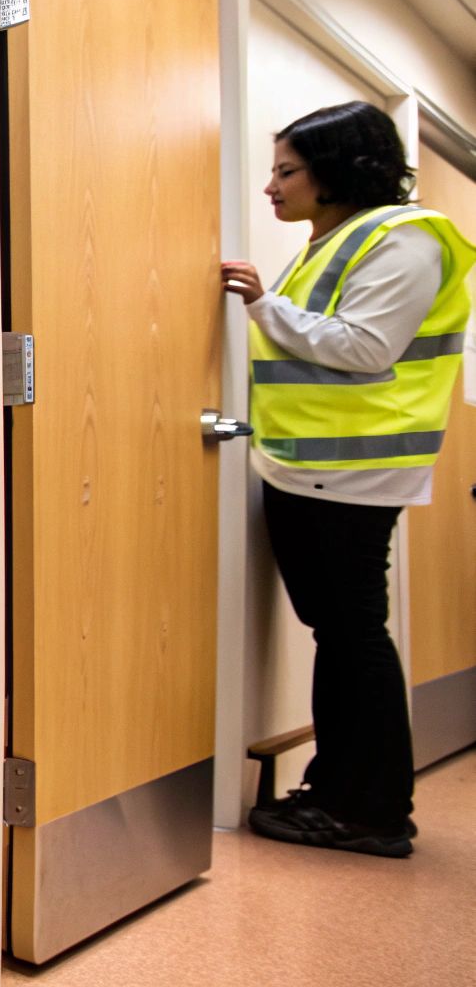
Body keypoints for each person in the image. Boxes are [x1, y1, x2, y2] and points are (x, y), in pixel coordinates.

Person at [222, 101, 474, 858]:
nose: (272, 187)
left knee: (353, 634)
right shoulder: (335, 240)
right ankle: (343, 793)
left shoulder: (401, 241)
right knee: (343, 633)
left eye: (286, 171)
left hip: (351, 474)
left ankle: (368, 811)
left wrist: (265, 306)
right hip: (316, 468)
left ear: (334, 172)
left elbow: (366, 349)